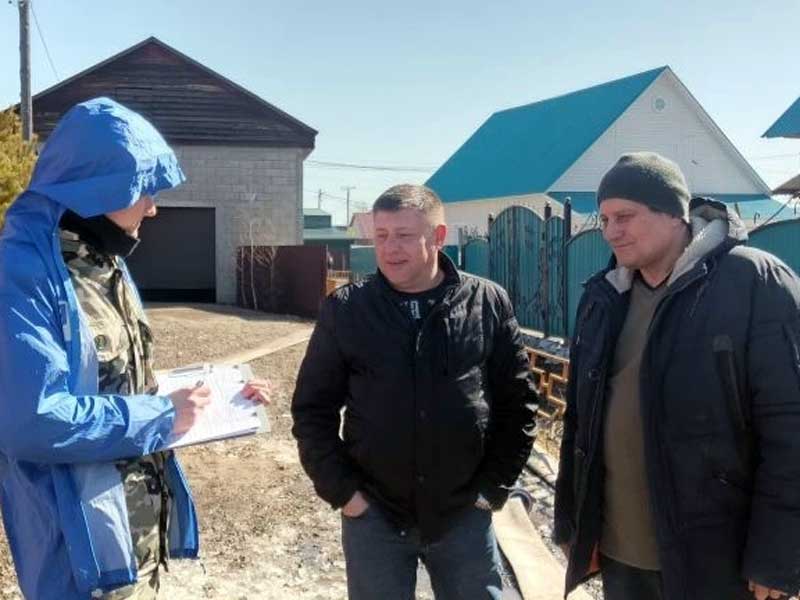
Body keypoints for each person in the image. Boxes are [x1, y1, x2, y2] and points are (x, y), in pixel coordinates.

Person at [0, 97, 271, 599]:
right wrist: (162, 415)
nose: (153, 207)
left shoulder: (105, 265)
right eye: (143, 190)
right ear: (97, 189)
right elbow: (31, 422)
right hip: (78, 561)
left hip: (132, 542)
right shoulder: (22, 275)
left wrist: (214, 397)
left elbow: (117, 381)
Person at [553, 152, 800, 600]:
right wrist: (576, 527)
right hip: (622, 557)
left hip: (718, 562)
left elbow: (790, 427)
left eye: (625, 216)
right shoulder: (603, 296)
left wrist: (778, 555)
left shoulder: (753, 282)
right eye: (605, 219)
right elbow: (580, 422)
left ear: (674, 213)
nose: (610, 231)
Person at [291, 183, 538, 599]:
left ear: (438, 236)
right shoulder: (348, 310)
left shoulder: (486, 302)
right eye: (381, 236)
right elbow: (312, 410)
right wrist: (345, 493)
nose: (390, 248)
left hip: (463, 512)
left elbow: (519, 405)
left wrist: (491, 488)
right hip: (375, 515)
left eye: (404, 235)